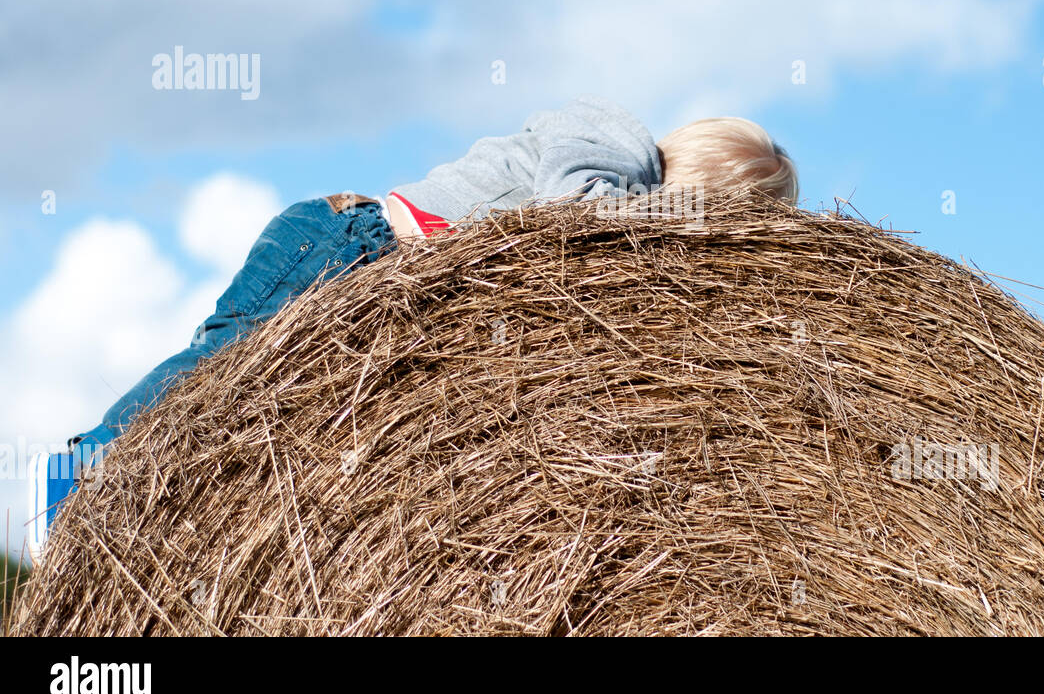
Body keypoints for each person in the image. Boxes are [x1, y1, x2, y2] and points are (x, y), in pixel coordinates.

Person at [27, 97, 797, 561]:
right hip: (342, 244)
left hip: (372, 287)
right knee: (214, 366)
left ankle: (141, 509)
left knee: (250, 425)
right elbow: (573, 209)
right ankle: (80, 466)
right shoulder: (614, 142)